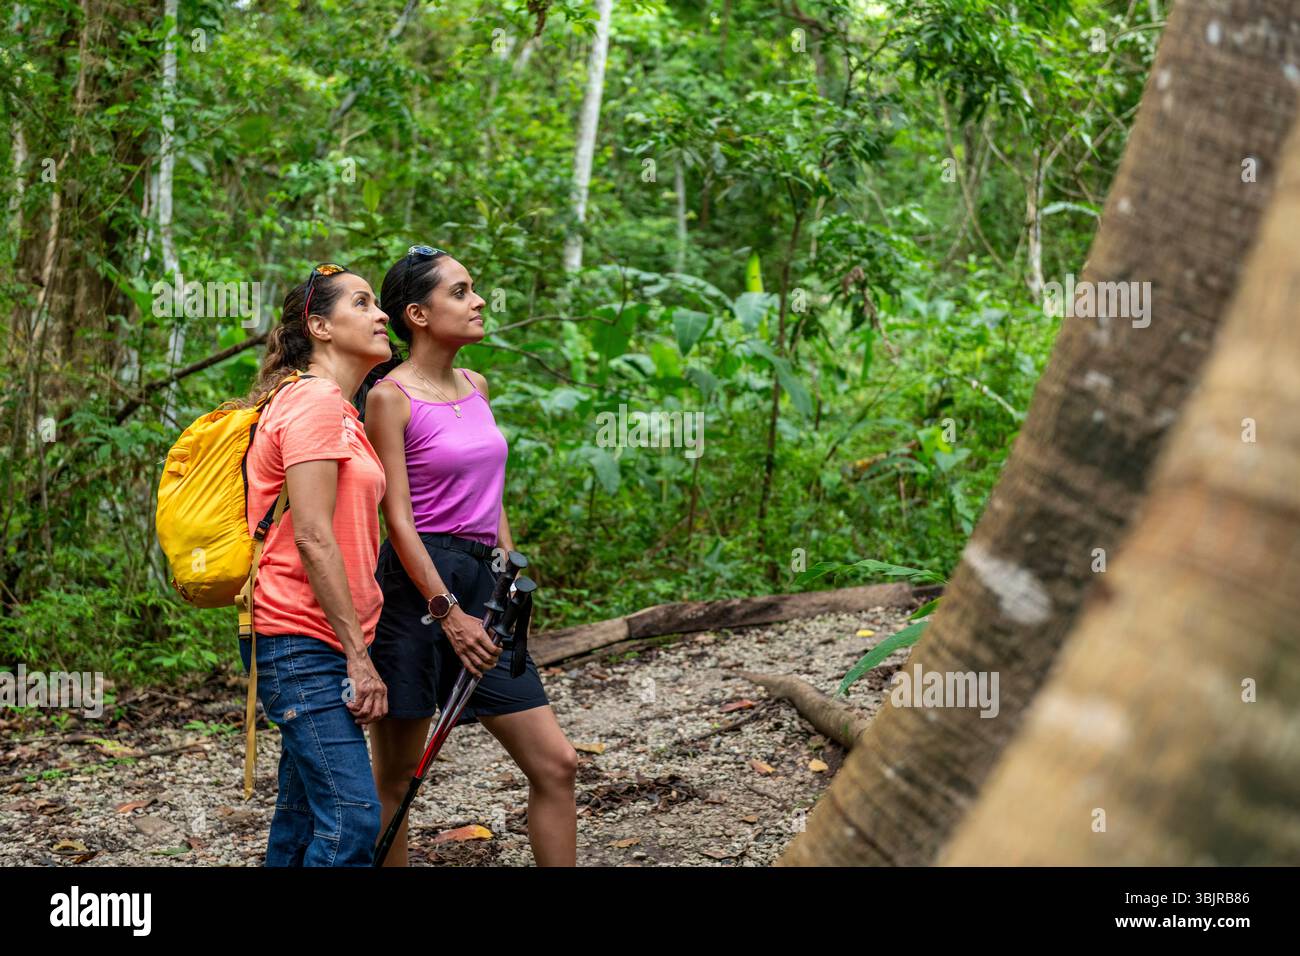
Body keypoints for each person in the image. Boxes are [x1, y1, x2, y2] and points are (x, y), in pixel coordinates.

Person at [363, 245, 577, 867]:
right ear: (418, 314)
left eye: (472, 288)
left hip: (487, 580)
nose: (478, 300)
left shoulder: (477, 385)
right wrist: (446, 610)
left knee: (556, 764)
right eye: (459, 292)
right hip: (418, 590)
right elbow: (396, 518)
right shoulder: (390, 398)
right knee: (399, 778)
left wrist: (512, 572)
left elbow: (491, 494)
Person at [239, 262, 392, 866]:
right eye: (363, 302)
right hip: (300, 640)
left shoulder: (340, 410)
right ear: (320, 325)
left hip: (315, 638)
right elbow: (312, 536)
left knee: (302, 818)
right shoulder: (316, 401)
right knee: (353, 818)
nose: (381, 314)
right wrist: (359, 656)